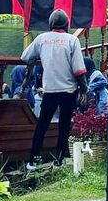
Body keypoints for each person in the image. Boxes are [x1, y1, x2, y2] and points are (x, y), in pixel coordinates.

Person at [20, 9, 88, 170]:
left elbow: (25, 57)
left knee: (42, 125)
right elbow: (79, 69)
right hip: (69, 91)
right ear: (66, 24)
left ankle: (32, 161)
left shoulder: (41, 39)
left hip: (49, 90)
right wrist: (84, 89)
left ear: (50, 24)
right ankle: (58, 161)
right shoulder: (72, 40)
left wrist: (41, 57)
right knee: (64, 126)